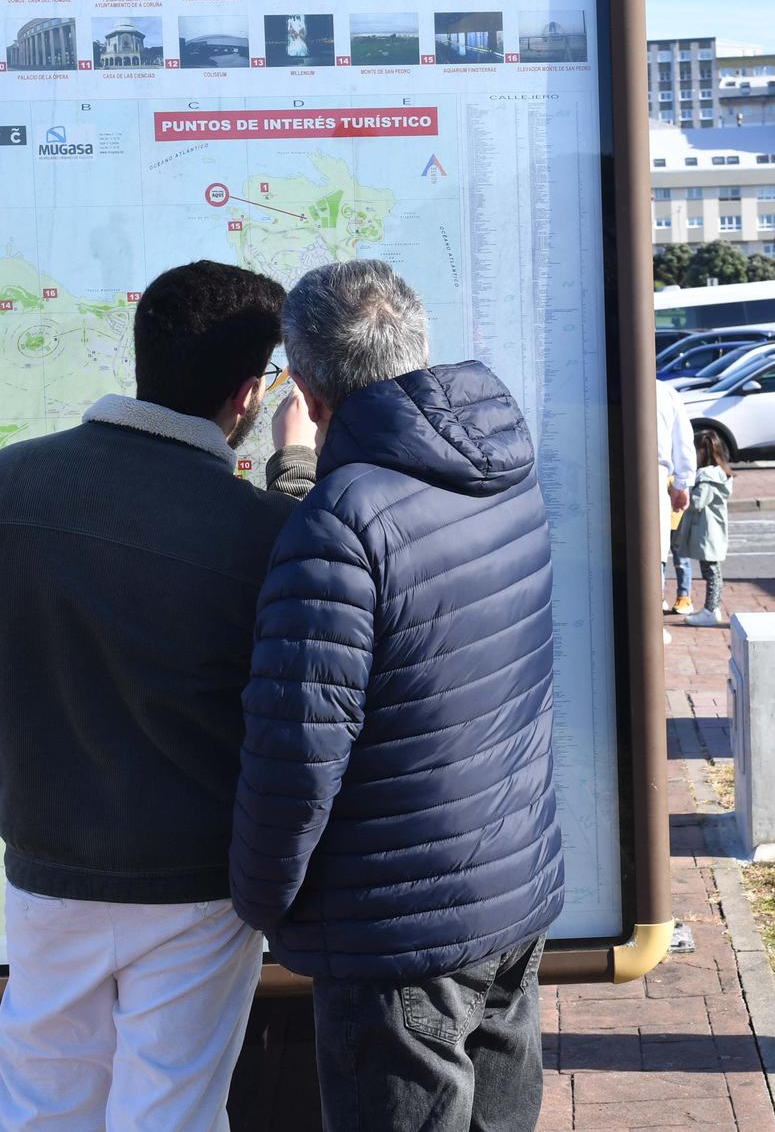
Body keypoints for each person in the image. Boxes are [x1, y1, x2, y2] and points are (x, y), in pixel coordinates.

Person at [0, 260, 316, 1130]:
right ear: (247, 396)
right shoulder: (260, 530)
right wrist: (296, 467)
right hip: (197, 887)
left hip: (48, 869)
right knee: (170, 1109)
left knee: (44, 1104)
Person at [232, 260, 563, 1132]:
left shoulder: (340, 520)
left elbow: (299, 751)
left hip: (397, 932)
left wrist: (260, 898)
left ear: (303, 385)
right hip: (509, 886)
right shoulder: (499, 467)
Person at [674, 428, 735, 627]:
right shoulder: (717, 474)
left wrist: (678, 493)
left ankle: (711, 610)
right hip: (710, 532)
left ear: (704, 451)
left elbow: (697, 502)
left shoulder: (708, 477)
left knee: (711, 572)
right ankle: (712, 608)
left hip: (708, 533)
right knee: (712, 571)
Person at [655, 376, 697, 627]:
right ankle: (652, 626)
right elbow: (684, 444)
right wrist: (682, 484)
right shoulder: (666, 392)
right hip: (657, 478)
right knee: (654, 555)